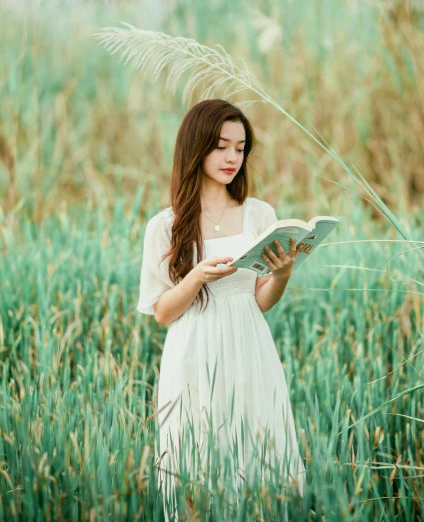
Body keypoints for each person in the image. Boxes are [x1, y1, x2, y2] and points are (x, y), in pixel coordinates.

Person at [136, 99, 306, 521]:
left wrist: (282, 275)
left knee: (260, 451)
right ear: (196, 148)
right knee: (194, 462)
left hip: (250, 346)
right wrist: (195, 278)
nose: (233, 157)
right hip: (193, 350)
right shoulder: (166, 225)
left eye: (241, 148)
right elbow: (161, 313)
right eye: (221, 146)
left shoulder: (258, 214)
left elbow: (259, 298)